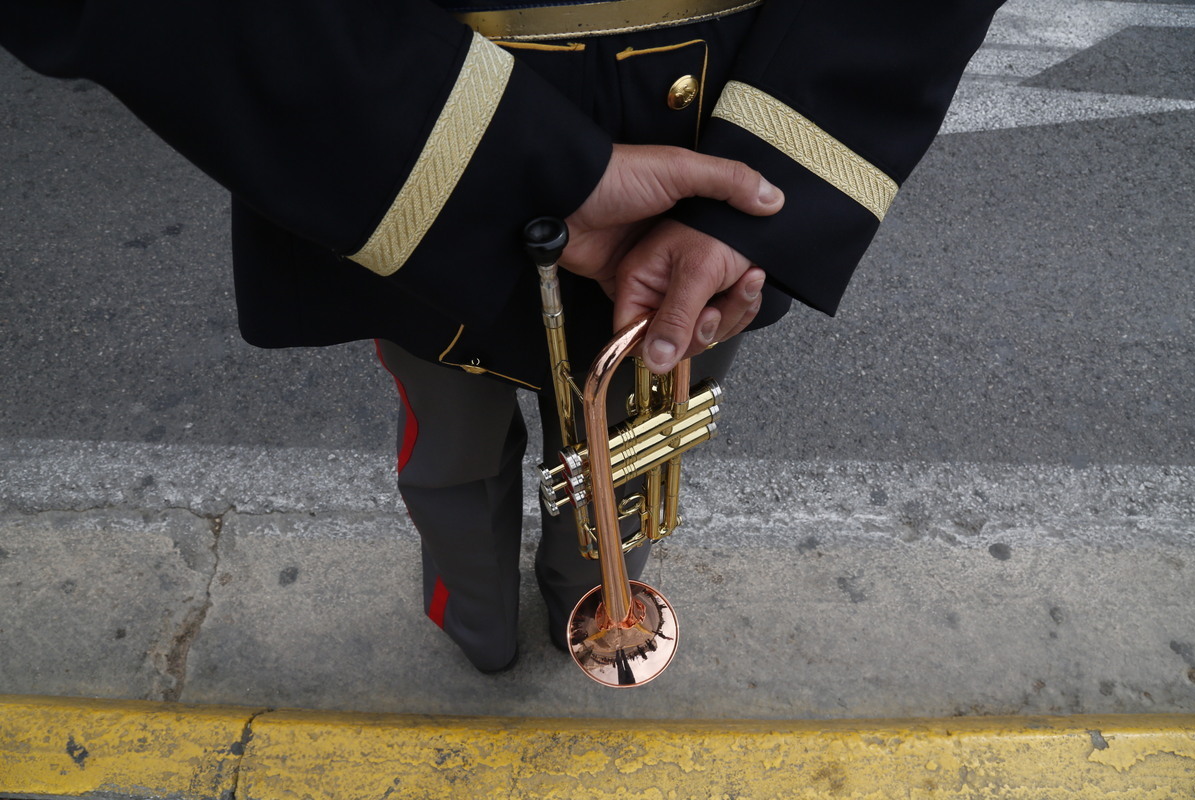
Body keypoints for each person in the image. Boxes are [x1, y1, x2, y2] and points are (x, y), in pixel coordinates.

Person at [0, 0, 1005, 673]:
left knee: (612, 448)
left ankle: (565, 602)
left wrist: (765, 180)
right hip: (406, 144)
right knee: (461, 449)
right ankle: (478, 614)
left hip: (700, 149)